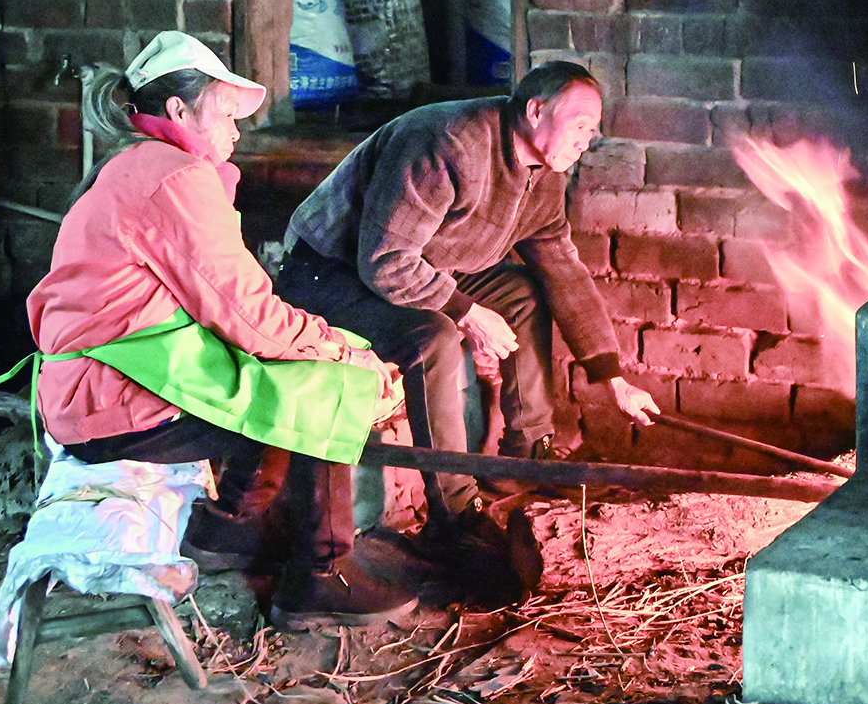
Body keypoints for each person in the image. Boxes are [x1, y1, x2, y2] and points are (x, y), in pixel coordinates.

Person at [22, 31, 415, 630]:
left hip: (97, 382)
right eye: (227, 115)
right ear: (178, 112)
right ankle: (321, 576)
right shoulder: (174, 178)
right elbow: (250, 318)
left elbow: (231, 311)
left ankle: (232, 525)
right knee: (328, 384)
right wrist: (343, 355)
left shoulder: (137, 164)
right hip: (110, 401)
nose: (237, 131)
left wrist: (331, 345)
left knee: (296, 360)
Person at [275, 61, 659, 587]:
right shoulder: (448, 143)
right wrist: (467, 313)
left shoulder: (544, 174)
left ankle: (529, 454)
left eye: (592, 130)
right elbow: (385, 262)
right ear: (536, 111)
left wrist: (611, 375)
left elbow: (562, 267)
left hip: (426, 267)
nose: (587, 140)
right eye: (580, 125)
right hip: (331, 271)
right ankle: (454, 516)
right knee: (432, 337)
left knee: (523, 293)